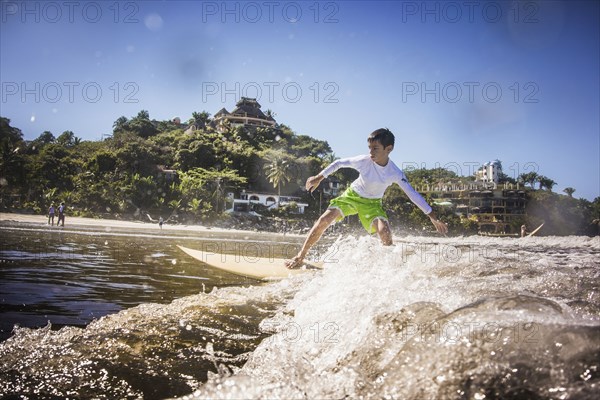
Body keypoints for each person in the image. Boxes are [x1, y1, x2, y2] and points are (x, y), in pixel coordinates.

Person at [285, 128, 448, 269]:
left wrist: (433, 217)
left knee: (385, 233)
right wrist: (319, 177)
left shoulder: (395, 173)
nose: (371, 152)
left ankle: (387, 268)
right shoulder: (364, 161)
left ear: (388, 148)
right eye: (370, 148)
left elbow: (413, 194)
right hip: (352, 195)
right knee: (324, 220)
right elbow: (339, 163)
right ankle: (300, 256)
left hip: (373, 204)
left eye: (375, 148)